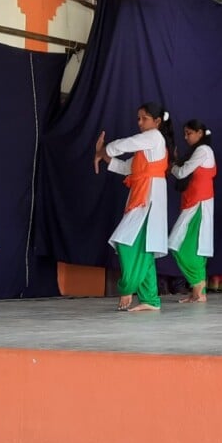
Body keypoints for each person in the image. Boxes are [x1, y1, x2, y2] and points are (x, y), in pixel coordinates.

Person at [94, 102, 175, 312]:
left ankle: (128, 286)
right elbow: (124, 167)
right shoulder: (145, 151)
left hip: (149, 198)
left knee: (125, 242)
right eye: (138, 118)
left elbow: (126, 143)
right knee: (144, 249)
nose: (139, 122)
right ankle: (150, 299)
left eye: (143, 118)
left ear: (156, 121)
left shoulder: (154, 137)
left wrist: (105, 149)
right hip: (144, 196)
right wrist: (104, 156)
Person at [168, 120, 215, 303]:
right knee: (195, 247)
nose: (186, 137)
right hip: (195, 202)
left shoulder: (203, 151)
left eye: (189, 133)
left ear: (200, 133)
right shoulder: (200, 151)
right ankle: (198, 292)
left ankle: (197, 286)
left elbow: (182, 173)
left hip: (199, 204)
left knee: (178, 244)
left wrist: (171, 166)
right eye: (185, 133)